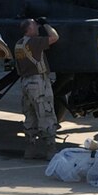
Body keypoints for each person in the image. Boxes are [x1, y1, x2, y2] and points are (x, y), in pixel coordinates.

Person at [15, 18, 60, 159]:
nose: (37, 26)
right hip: (39, 82)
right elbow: (54, 37)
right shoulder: (35, 42)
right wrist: (47, 23)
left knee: (30, 116)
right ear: (29, 29)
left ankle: (30, 147)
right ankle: (50, 148)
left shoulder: (18, 45)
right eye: (35, 25)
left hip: (25, 83)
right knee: (46, 114)